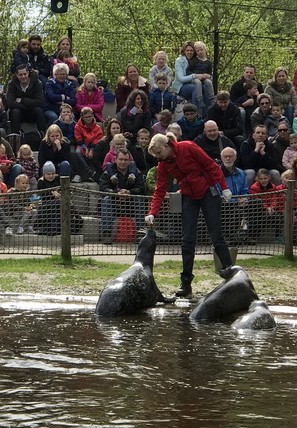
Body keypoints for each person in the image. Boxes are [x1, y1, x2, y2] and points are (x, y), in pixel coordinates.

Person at [145, 133, 234, 297]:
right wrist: (153, 213)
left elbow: (211, 165)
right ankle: (186, 283)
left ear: (166, 146)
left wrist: (224, 186)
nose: (158, 157)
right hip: (188, 196)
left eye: (158, 153)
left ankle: (231, 274)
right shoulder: (164, 164)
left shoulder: (188, 147)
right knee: (187, 240)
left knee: (216, 236)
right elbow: (160, 189)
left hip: (208, 192)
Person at [99, 148, 145, 243]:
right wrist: (117, 194)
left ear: (129, 161)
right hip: (114, 205)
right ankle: (106, 233)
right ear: (115, 160)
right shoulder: (108, 173)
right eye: (120, 159)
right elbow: (103, 188)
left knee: (139, 200)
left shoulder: (136, 172)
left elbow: (141, 188)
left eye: (125, 160)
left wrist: (129, 192)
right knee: (106, 199)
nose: (123, 162)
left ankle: (141, 233)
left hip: (131, 205)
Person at [5, 65, 45, 134]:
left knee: (39, 111)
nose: (23, 77)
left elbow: (40, 102)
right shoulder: (11, 84)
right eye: (20, 75)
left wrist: (22, 100)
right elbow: (10, 103)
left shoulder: (37, 83)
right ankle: (15, 137)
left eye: (25, 74)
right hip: (19, 113)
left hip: (32, 113)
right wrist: (28, 106)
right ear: (17, 75)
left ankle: (43, 135)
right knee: (15, 112)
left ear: (28, 73)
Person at [190, 41, 216, 111]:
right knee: (198, 83)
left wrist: (208, 76)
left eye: (201, 50)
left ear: (205, 50)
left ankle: (212, 99)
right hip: (195, 77)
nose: (200, 52)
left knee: (209, 82)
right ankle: (200, 100)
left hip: (204, 77)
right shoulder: (194, 61)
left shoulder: (209, 62)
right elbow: (188, 71)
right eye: (197, 51)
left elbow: (210, 73)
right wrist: (195, 75)